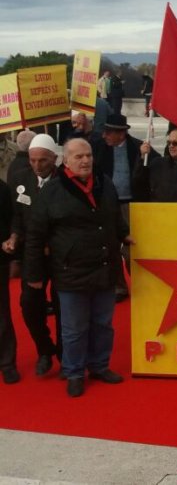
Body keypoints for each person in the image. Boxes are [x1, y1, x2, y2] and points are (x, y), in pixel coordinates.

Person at [23, 138, 132, 398]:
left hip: (105, 267)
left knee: (103, 324)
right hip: (71, 271)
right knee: (74, 328)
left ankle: (99, 366)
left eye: (88, 155)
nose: (85, 161)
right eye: (78, 156)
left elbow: (115, 216)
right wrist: (34, 275)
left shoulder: (105, 183)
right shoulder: (52, 191)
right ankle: (73, 371)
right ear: (66, 160)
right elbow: (36, 235)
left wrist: (123, 234)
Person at [2, 134, 62, 378]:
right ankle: (45, 349)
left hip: (61, 256)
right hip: (32, 255)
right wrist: (14, 237)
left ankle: (67, 356)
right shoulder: (20, 179)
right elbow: (17, 215)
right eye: (33, 160)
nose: (37, 166)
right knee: (28, 305)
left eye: (43, 161)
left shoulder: (65, 182)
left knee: (62, 306)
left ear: (54, 159)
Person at [94, 114, 159, 301]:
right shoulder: (99, 148)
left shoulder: (139, 148)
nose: (104, 135)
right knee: (110, 247)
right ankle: (118, 287)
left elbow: (154, 170)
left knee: (132, 248)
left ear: (121, 134)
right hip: (108, 205)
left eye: (109, 132)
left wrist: (144, 156)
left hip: (132, 204)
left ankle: (140, 284)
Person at [132, 128, 177, 202]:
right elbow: (139, 184)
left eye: (175, 143)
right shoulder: (157, 163)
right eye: (169, 143)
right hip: (159, 210)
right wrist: (142, 158)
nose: (171, 146)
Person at [0, 176, 17, 384]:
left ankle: (7, 363)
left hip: (0, 260)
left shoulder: (3, 189)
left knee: (2, 314)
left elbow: (10, 221)